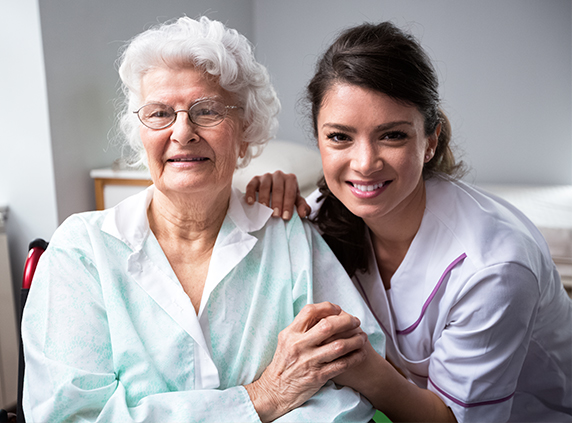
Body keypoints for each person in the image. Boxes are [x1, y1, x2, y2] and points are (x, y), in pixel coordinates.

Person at [20, 16, 386, 423]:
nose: (182, 132)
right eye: (159, 113)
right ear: (139, 134)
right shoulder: (82, 251)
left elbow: (349, 380)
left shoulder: (287, 235)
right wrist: (260, 399)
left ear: (245, 129)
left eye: (207, 111)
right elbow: (71, 416)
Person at [246, 21, 572, 422]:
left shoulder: (495, 267)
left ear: (430, 142)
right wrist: (265, 198)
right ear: (318, 140)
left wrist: (364, 367)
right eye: (339, 138)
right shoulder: (320, 214)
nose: (364, 163)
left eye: (392, 136)